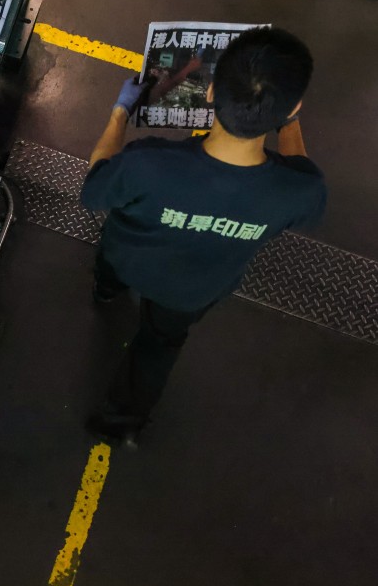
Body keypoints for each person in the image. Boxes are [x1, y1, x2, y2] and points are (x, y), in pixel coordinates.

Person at [81, 26, 326, 449]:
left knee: (111, 268)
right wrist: (288, 118)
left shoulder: (148, 162)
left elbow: (95, 185)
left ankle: (106, 290)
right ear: (294, 107)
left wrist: (120, 112)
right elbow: (299, 169)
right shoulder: (301, 191)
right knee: (159, 344)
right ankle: (121, 421)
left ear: (210, 92)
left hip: (127, 257)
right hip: (194, 288)